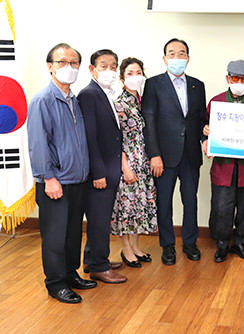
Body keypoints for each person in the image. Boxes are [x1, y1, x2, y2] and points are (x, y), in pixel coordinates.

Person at [28, 43, 96, 303]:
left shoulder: (74, 100)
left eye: (74, 62)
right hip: (55, 182)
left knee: (72, 233)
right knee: (55, 236)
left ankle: (70, 273)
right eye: (62, 62)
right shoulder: (43, 100)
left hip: (77, 180)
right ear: (50, 67)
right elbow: (38, 143)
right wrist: (49, 178)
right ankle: (56, 283)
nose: (69, 67)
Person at [142, 38, 207, 265]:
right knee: (165, 202)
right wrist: (154, 155)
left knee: (191, 200)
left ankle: (190, 242)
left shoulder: (197, 85)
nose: (177, 58)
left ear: (188, 58)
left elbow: (200, 120)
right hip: (164, 156)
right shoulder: (153, 84)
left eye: (182, 54)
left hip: (190, 154)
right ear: (164, 58)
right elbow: (148, 121)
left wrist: (205, 137)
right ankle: (167, 245)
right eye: (172, 53)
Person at [201, 60, 244, 263]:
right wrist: (205, 135)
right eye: (235, 78)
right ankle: (221, 244)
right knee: (221, 205)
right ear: (227, 78)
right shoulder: (216, 103)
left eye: (243, 79)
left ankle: (240, 242)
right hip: (224, 165)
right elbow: (204, 128)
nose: (238, 82)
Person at [79, 49, 127, 284]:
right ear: (92, 69)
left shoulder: (105, 93)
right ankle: (100, 265)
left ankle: (91, 259)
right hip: (100, 172)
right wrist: (98, 172)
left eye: (113, 66)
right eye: (104, 65)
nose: (110, 70)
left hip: (110, 168)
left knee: (101, 217)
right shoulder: (89, 94)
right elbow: (90, 137)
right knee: (98, 221)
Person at [111, 57, 158, 268]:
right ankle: (126, 249)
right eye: (130, 73)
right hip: (127, 162)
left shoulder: (143, 102)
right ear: (122, 78)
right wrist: (125, 168)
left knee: (140, 206)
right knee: (127, 208)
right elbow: (116, 139)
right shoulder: (119, 104)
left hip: (143, 161)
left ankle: (136, 247)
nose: (135, 76)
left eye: (138, 72)